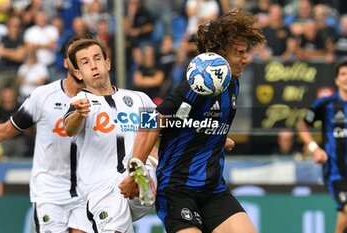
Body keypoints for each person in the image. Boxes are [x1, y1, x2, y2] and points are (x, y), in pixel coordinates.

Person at [120, 8, 266, 233]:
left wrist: (217, 137)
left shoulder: (233, 84)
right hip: (178, 190)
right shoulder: (199, 83)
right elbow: (152, 120)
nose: (245, 59)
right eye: (239, 53)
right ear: (222, 54)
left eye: (245, 52)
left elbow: (195, 122)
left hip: (213, 189)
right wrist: (134, 173)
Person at [0, 36, 93, 233]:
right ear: (66, 63)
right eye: (76, 58)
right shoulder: (42, 96)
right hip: (50, 191)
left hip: (87, 190)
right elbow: (7, 130)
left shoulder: (101, 100)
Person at [63, 37, 158, 233]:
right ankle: (143, 176)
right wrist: (79, 114)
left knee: (150, 157)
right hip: (103, 190)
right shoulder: (81, 101)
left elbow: (155, 133)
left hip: (136, 184)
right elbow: (68, 128)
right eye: (85, 62)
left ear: (107, 63)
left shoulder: (139, 98)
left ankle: (143, 176)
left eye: (97, 58)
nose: (93, 66)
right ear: (78, 73)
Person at [296, 60, 347, 233]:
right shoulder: (325, 104)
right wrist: (314, 148)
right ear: (337, 80)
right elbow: (302, 125)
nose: (346, 78)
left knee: (343, 220)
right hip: (336, 173)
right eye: (343, 74)